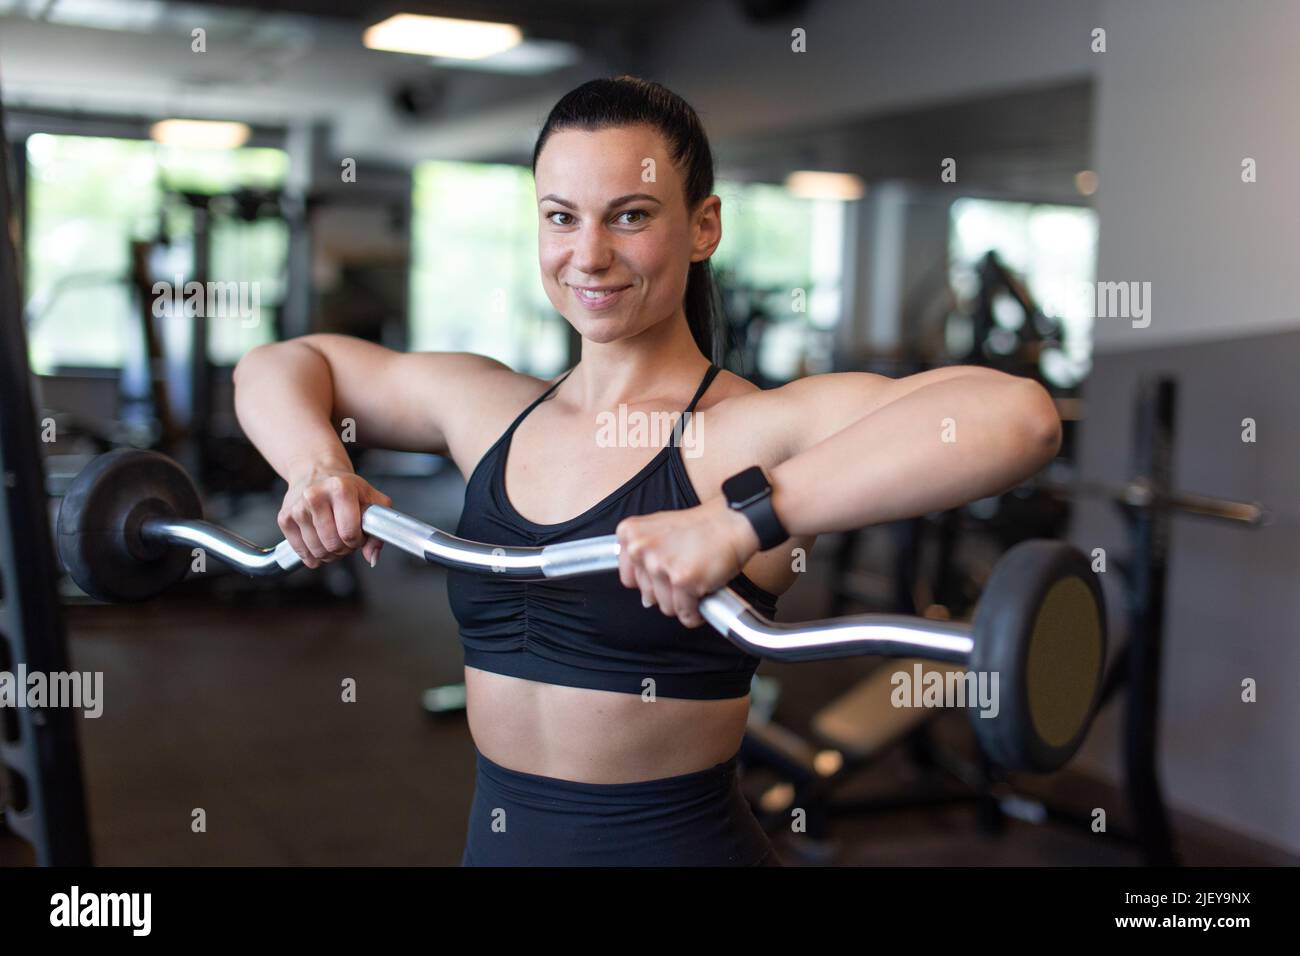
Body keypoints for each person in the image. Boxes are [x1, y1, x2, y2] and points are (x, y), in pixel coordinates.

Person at [231, 75, 1061, 866]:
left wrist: (743, 520)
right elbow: (281, 363)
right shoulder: (488, 411)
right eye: (561, 217)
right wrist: (317, 469)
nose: (587, 255)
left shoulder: (743, 434)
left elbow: (1018, 418)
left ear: (704, 226)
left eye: (628, 216)